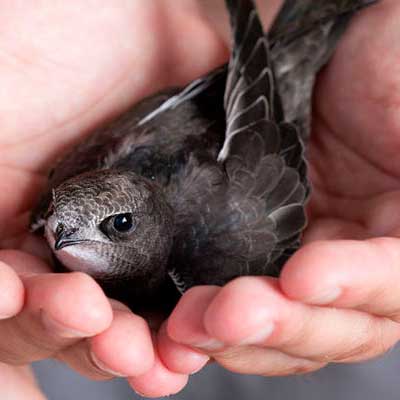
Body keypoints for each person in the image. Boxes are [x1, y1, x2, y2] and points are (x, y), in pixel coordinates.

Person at [1, 0, 399, 398]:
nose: (61, 234)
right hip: (232, 109)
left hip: (256, 115)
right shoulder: (71, 196)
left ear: (147, 228)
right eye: (57, 216)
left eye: (119, 225)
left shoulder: (214, 244)